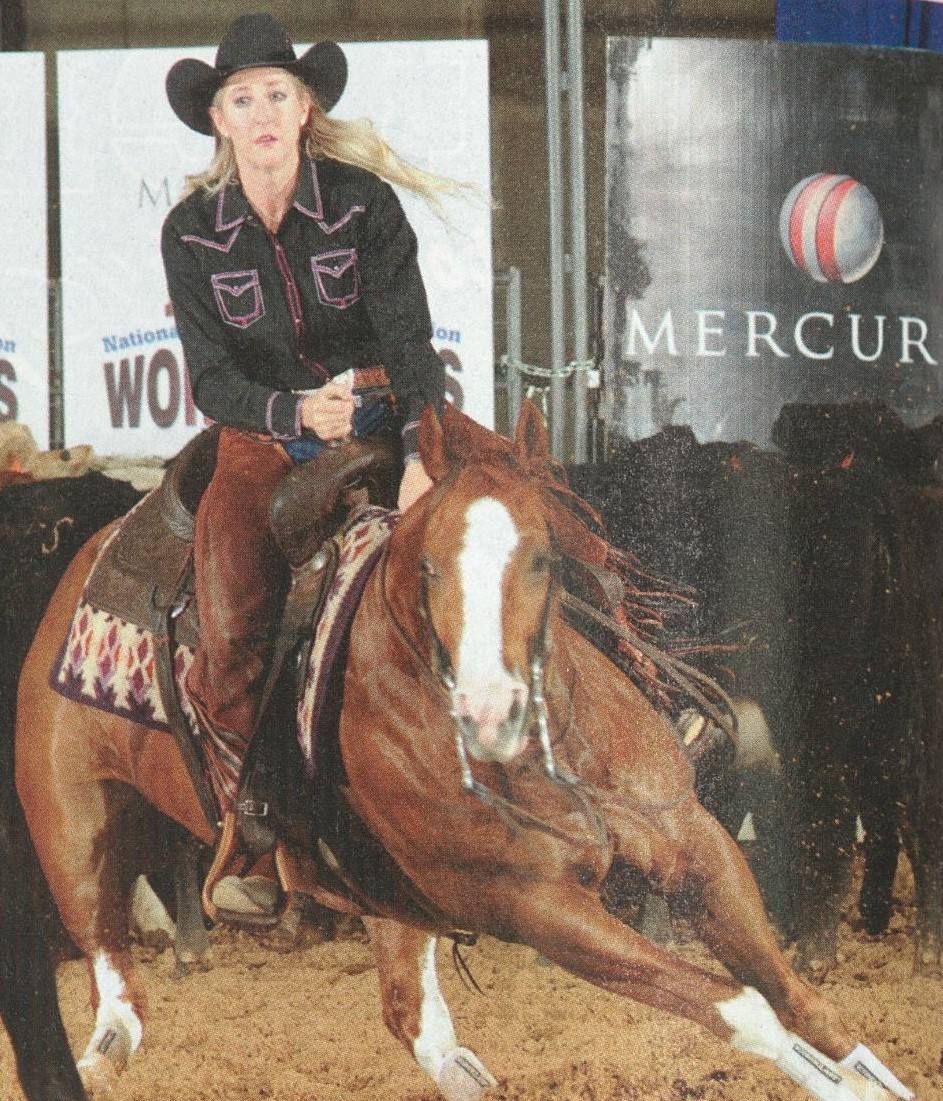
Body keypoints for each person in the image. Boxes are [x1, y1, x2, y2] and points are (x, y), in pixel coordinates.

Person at [162, 13, 453, 913]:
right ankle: (263, 830)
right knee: (228, 628)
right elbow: (211, 376)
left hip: (382, 415)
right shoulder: (191, 233)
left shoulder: (363, 204)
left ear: (305, 109)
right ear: (218, 120)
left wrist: (419, 453)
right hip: (260, 439)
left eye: (275, 95)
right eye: (241, 99)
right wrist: (290, 410)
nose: (260, 113)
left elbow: (410, 342)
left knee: (495, 537)